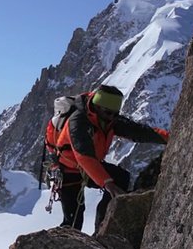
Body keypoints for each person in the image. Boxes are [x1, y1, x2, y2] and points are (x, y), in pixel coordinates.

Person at [52, 84, 169, 232]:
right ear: (97, 107)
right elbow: (84, 156)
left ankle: (102, 231)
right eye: (108, 113)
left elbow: (137, 131)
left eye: (115, 113)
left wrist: (168, 137)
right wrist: (107, 183)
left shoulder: (108, 119)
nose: (112, 117)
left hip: (90, 166)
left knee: (121, 178)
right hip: (69, 171)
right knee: (73, 220)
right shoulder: (78, 121)